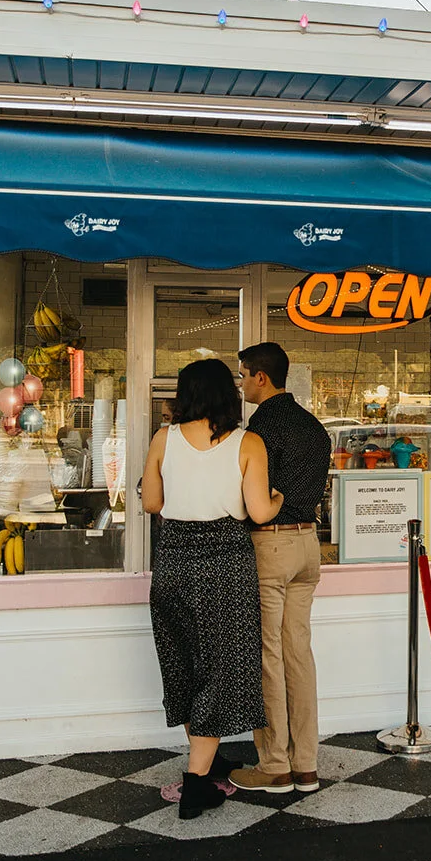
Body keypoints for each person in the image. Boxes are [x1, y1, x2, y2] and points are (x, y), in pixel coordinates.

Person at [141, 358, 282, 819]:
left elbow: (152, 502)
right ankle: (196, 785)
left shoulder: (164, 439)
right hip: (225, 565)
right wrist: (278, 497)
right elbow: (259, 512)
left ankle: (207, 757)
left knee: (182, 665)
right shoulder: (248, 443)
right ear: (228, 394)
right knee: (222, 671)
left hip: (173, 563)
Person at [229, 342, 332, 797]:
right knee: (299, 655)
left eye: (243, 375)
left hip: (270, 545)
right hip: (308, 545)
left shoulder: (260, 429)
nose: (241, 384)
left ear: (261, 377)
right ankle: (306, 765)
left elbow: (250, 497)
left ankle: (274, 765)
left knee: (268, 655)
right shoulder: (314, 426)